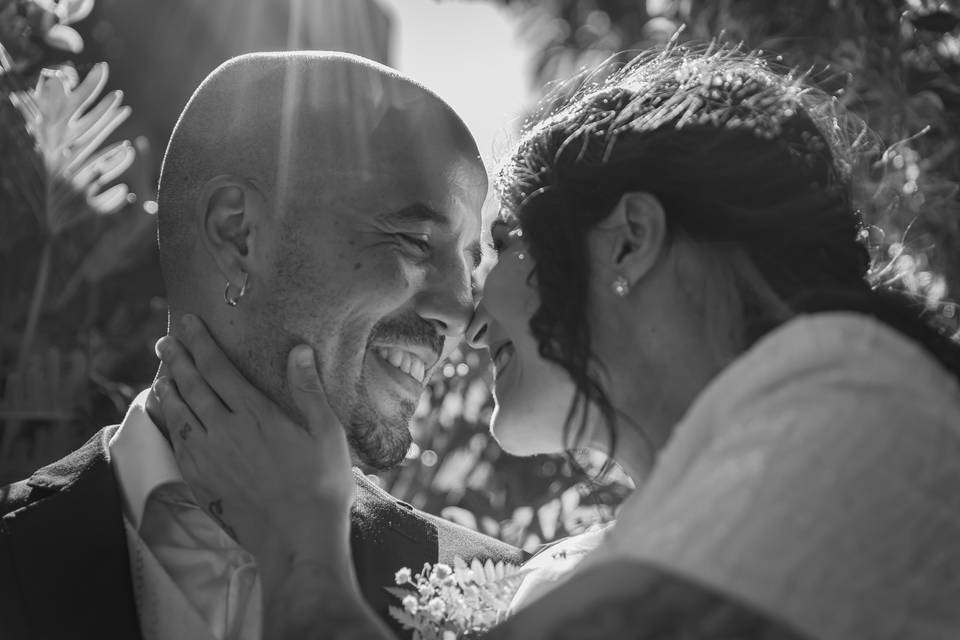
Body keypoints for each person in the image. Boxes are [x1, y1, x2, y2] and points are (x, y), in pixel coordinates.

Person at [154, 45, 960, 639]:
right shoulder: (568, 572)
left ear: (627, 240)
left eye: (500, 246)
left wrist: (303, 550)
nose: (467, 318)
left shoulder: (858, 414)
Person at [0, 51, 525, 640]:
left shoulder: (504, 598)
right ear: (237, 233)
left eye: (468, 265)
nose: (460, 309)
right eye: (414, 241)